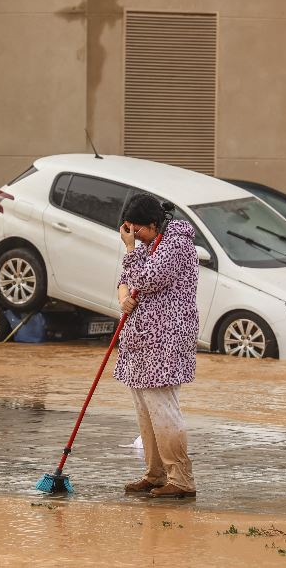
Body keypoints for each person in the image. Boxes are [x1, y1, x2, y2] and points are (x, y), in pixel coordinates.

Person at [115, 193, 199, 498]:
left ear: (153, 223)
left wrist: (129, 248)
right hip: (140, 341)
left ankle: (181, 479)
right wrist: (123, 297)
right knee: (145, 410)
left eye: (136, 230)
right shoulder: (151, 245)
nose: (133, 237)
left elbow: (148, 278)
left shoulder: (177, 244)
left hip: (166, 340)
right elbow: (126, 278)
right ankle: (155, 473)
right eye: (128, 231)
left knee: (163, 409)